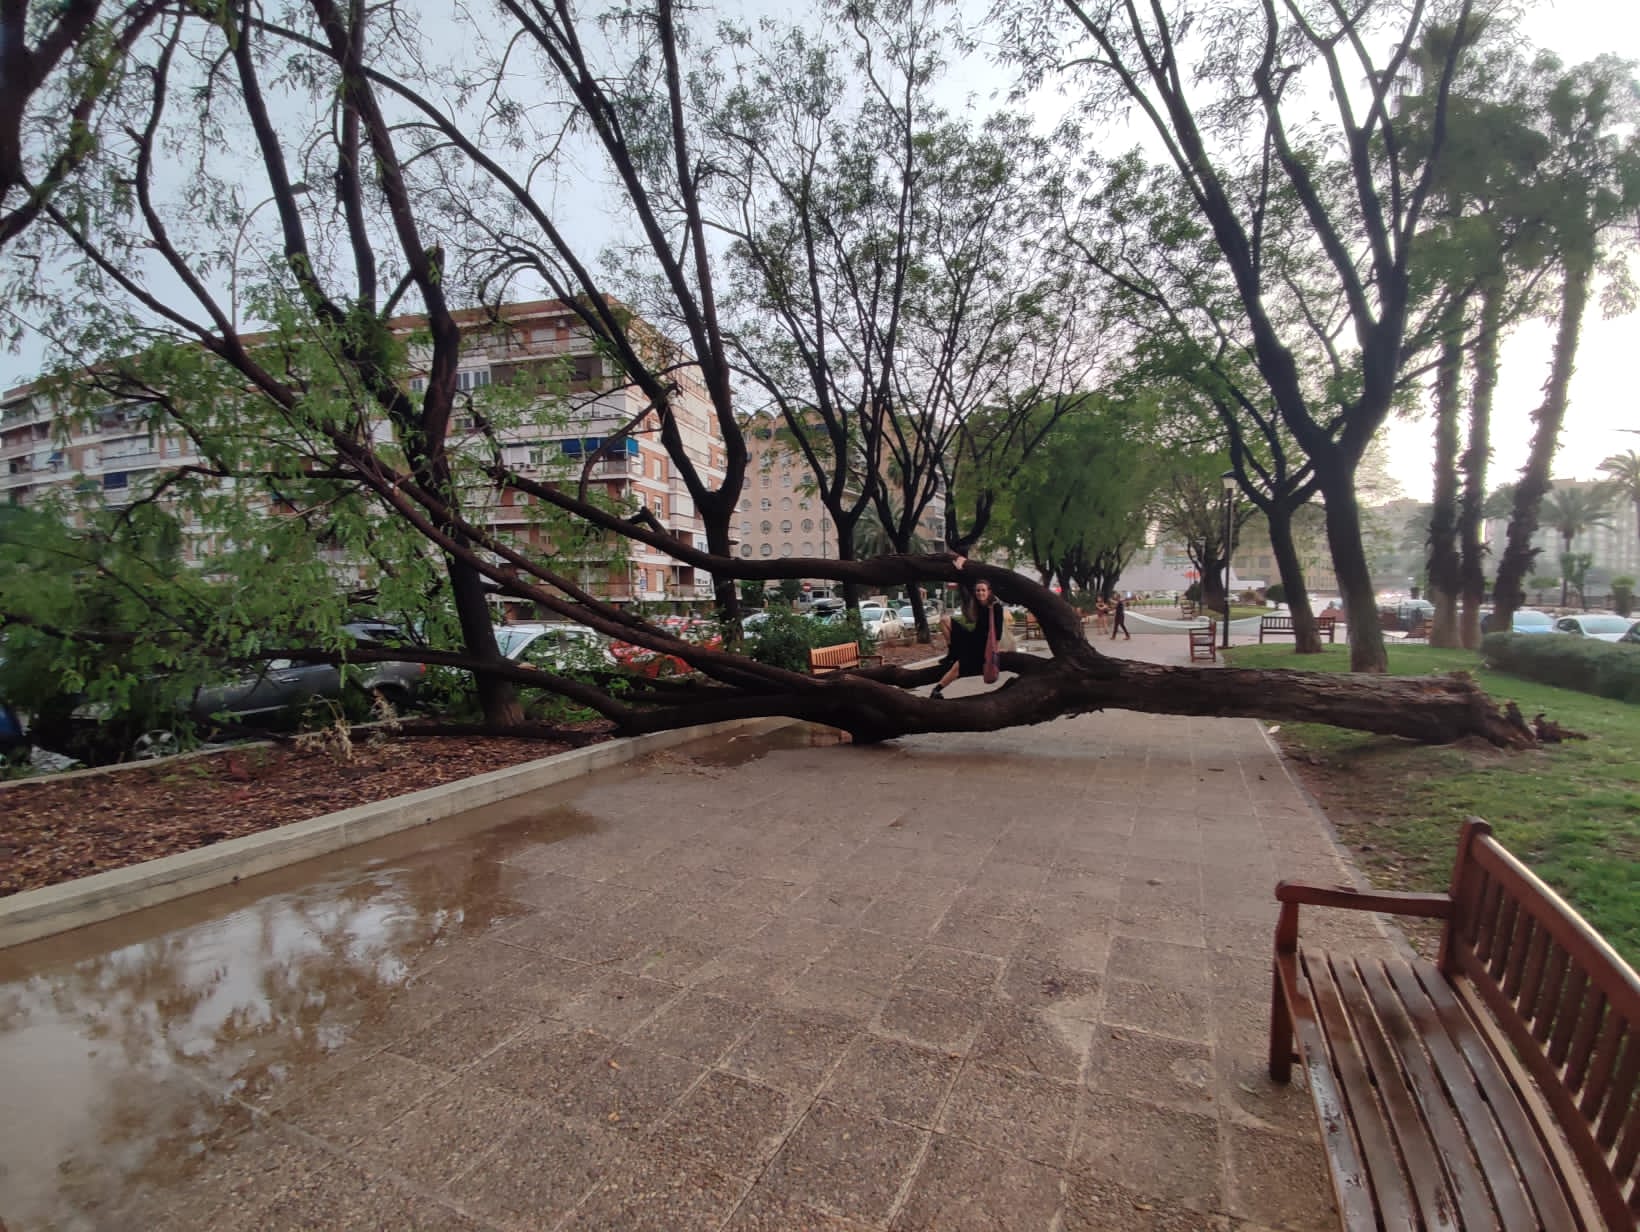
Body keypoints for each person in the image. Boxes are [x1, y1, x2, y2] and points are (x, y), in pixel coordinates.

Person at [931, 578, 1005, 699]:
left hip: (982, 646)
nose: (980, 593)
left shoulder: (996, 607)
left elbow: (998, 633)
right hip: (972, 637)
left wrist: (994, 651)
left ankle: (936, 690)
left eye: (983, 590)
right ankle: (952, 653)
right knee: (944, 620)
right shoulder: (978, 605)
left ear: (989, 592)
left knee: (957, 667)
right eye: (978, 590)